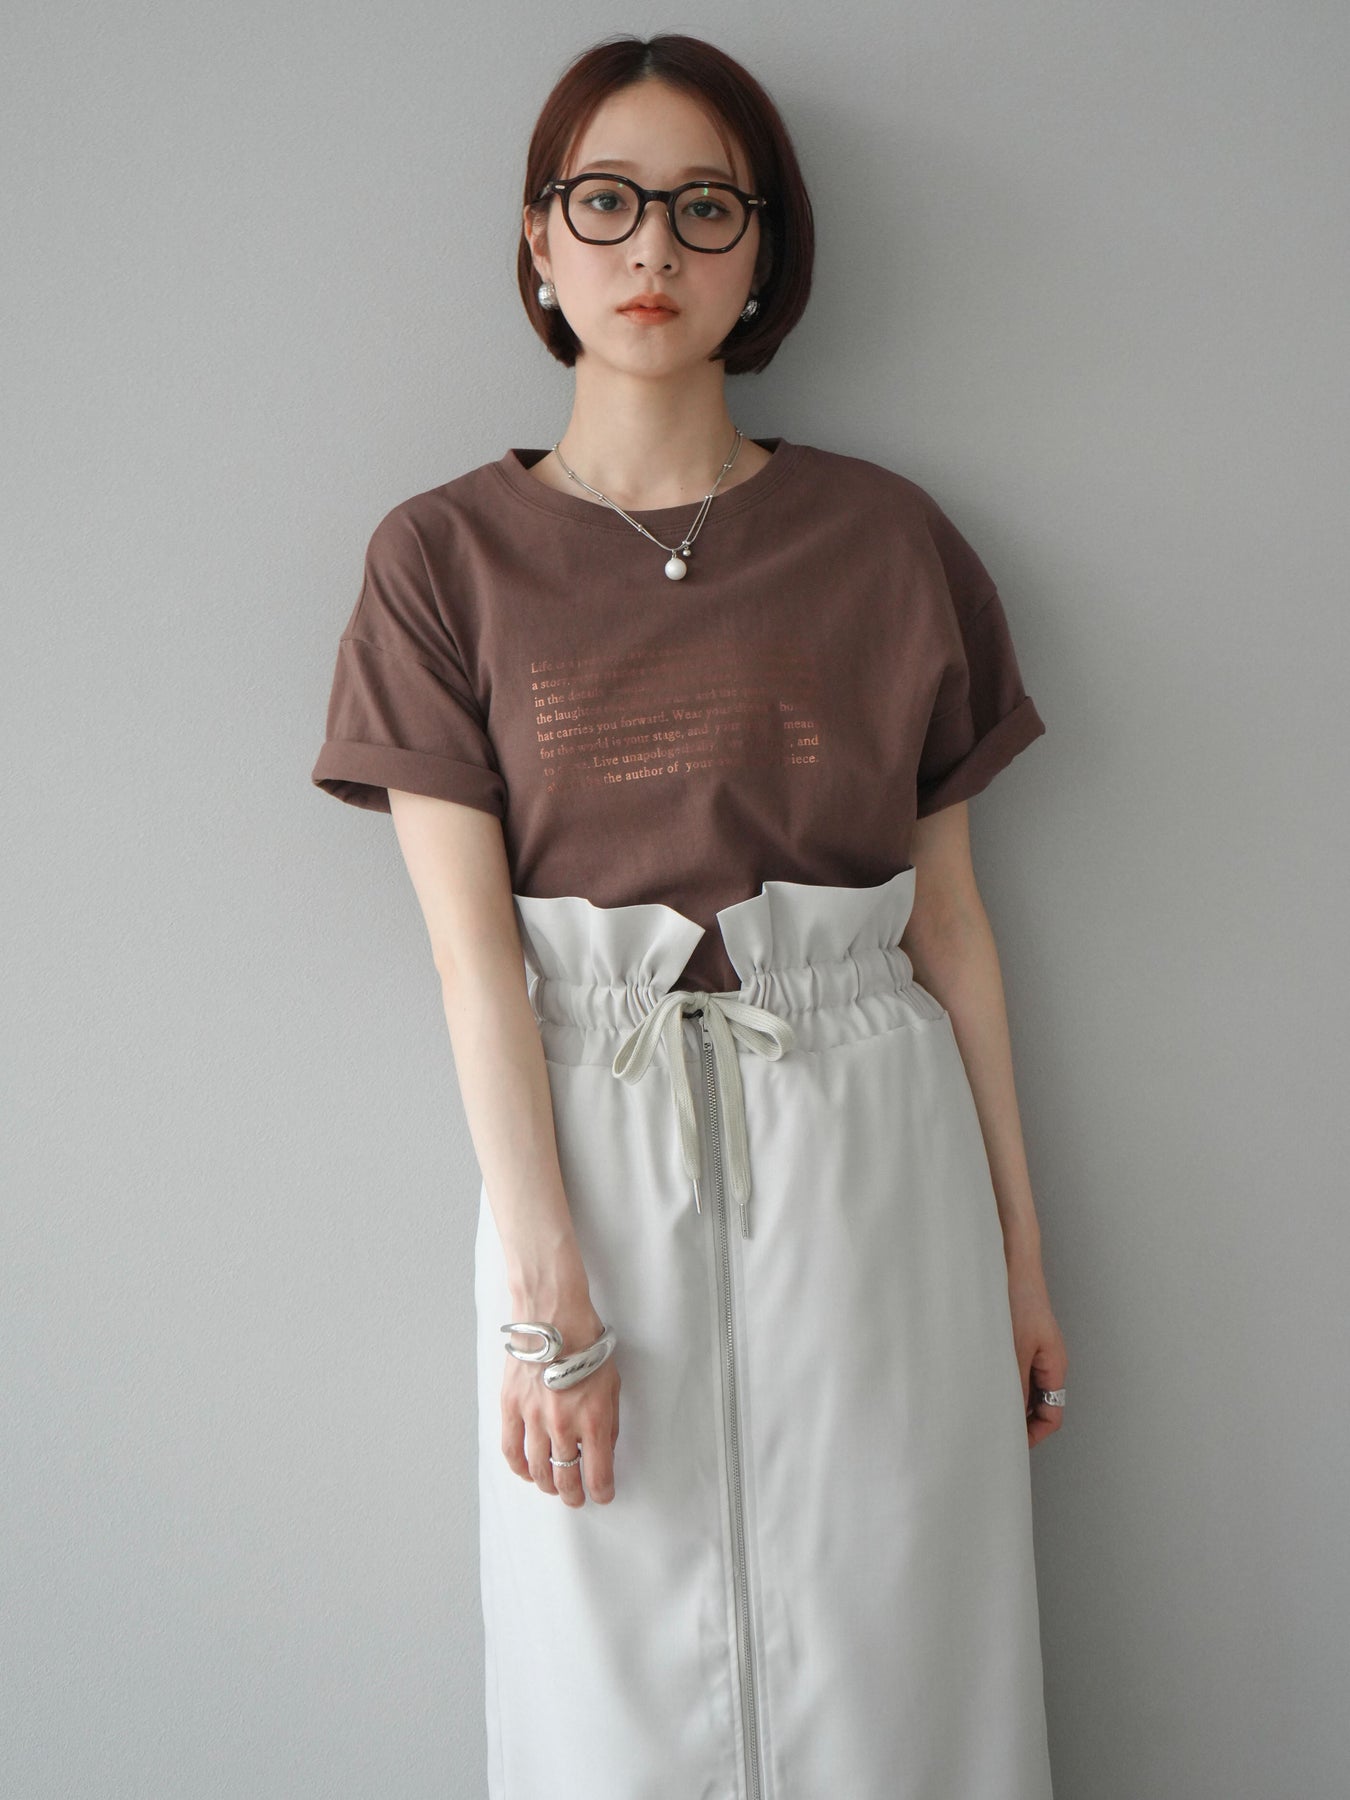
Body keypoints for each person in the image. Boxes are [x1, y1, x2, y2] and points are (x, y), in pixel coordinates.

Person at [311, 29, 1066, 1800]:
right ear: (538, 239)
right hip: (591, 1147)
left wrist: (1020, 1253)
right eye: (605, 202)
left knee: (901, 1666)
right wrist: (548, 1304)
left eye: (704, 208)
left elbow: (950, 927)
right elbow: (473, 961)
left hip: (872, 1149)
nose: (651, 248)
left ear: (762, 252)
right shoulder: (440, 561)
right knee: (613, 1683)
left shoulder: (886, 541)